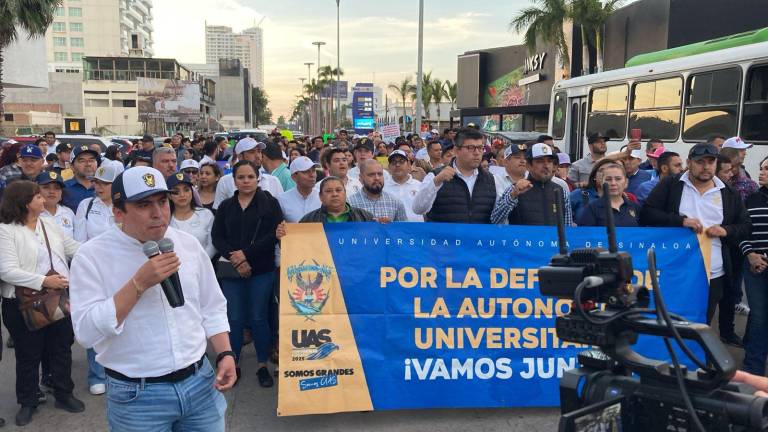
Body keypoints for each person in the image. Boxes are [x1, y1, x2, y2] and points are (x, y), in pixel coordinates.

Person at [69, 166, 235, 430]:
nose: (158, 213)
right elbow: (86, 333)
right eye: (144, 204)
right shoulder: (91, 256)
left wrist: (225, 352)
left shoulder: (187, 244)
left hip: (201, 383)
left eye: (161, 201)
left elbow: (212, 305)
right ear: (118, 212)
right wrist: (137, 285)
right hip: (137, 396)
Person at [0, 181, 84, 426]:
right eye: (38, 196)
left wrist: (104, 247)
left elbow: (72, 248)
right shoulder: (6, 230)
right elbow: (7, 271)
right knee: (28, 354)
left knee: (61, 348)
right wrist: (44, 280)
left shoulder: (48, 223)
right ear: (25, 202)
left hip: (57, 298)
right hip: (22, 304)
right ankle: (28, 402)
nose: (43, 200)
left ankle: (63, 393)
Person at [640, 143, 750, 325]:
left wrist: (726, 230)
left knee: (702, 323)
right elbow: (647, 214)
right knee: (669, 321)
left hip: (713, 273)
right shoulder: (671, 185)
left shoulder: (729, 193)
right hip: (675, 269)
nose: (706, 167)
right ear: (689, 162)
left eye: (711, 162)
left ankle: (696, 354)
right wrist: (680, 221)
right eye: (700, 162)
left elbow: (745, 226)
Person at [211, 160, 282, 388]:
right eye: (241, 177)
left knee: (259, 317)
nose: (246, 181)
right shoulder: (226, 206)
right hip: (232, 271)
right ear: (234, 180)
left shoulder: (269, 203)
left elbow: (275, 234)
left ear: (257, 178)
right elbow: (217, 237)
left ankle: (262, 364)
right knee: (234, 318)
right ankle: (234, 363)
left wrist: (246, 255)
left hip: (261, 269)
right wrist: (235, 257)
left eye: (250, 177)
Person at [412, 128, 496, 223]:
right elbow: (418, 209)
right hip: (444, 237)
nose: (477, 153)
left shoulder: (490, 179)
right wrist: (436, 182)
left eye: (480, 148)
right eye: (471, 148)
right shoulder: (436, 176)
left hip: (478, 238)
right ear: (456, 150)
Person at [491, 143, 572, 226]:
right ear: (529, 166)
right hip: (522, 239)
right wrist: (513, 196)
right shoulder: (515, 189)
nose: (546, 166)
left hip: (553, 239)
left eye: (549, 161)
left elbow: (568, 229)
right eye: (540, 161)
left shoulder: (561, 192)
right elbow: (495, 220)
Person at [740, 156, 768, 375]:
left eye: (766, 169)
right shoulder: (751, 199)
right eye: (761, 168)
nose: (761, 172)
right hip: (755, 267)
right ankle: (753, 369)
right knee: (759, 316)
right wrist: (750, 254)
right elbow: (742, 231)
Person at [213, 138, 283, 209]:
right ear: (240, 156)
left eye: (259, 151)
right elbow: (218, 212)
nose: (257, 156)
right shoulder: (225, 181)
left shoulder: (274, 181)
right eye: (252, 152)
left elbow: (281, 211)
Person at [167, 173, 216, 259]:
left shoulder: (206, 214)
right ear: (169, 196)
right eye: (176, 192)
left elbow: (212, 245)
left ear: (192, 192)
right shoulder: (165, 220)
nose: (182, 195)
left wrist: (200, 263)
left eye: (186, 190)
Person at [576, 162, 640, 227]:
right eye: (608, 179)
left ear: (626, 182)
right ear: (602, 183)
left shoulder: (635, 207)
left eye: (618, 179)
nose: (613, 183)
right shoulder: (592, 209)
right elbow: (586, 234)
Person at [299, 176, 374, 223]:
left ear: (345, 193)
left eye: (338, 190)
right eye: (328, 191)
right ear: (320, 196)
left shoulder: (365, 217)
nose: (334, 194)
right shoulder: (308, 220)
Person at [277, 156, 321, 223]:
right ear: (294, 177)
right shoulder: (282, 200)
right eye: (306, 172)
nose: (312, 175)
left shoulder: (323, 197)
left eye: (314, 170)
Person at [385, 150, 423, 222]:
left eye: (401, 161)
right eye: (393, 162)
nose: (397, 165)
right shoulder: (383, 188)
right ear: (389, 167)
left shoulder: (419, 186)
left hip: (417, 230)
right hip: (393, 230)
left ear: (408, 164)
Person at [38, 171, 75, 239]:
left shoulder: (68, 212)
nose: (52, 191)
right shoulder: (32, 213)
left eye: (57, 188)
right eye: (46, 187)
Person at [62, 145, 99, 211]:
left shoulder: (106, 187)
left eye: (91, 160)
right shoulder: (63, 188)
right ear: (72, 166)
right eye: (82, 161)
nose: (88, 164)